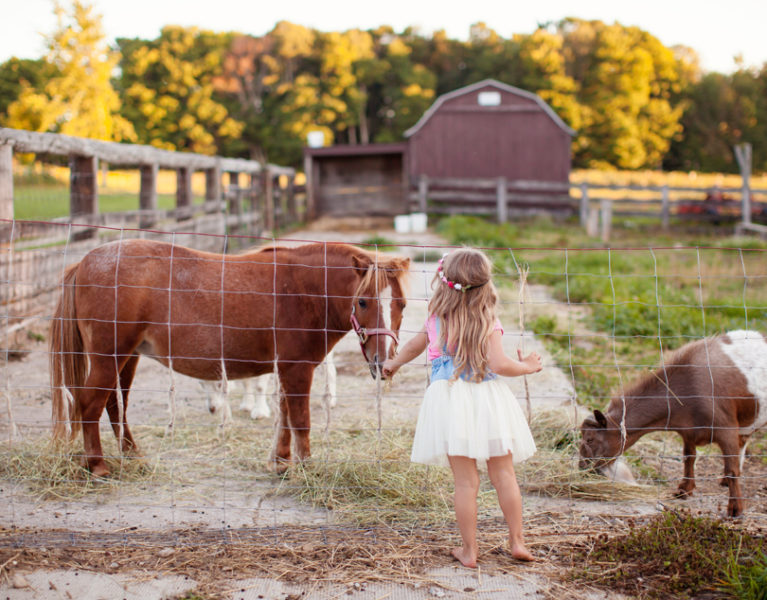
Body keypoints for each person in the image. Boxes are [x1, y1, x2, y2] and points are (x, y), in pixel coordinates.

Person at [382, 248, 542, 568]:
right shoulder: (488, 319)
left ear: (443, 281)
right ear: (485, 284)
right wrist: (527, 366)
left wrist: (394, 363)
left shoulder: (436, 318)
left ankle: (470, 550)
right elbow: (499, 363)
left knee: (466, 482)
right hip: (488, 398)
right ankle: (517, 541)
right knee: (504, 474)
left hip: (451, 399)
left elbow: (416, 344)